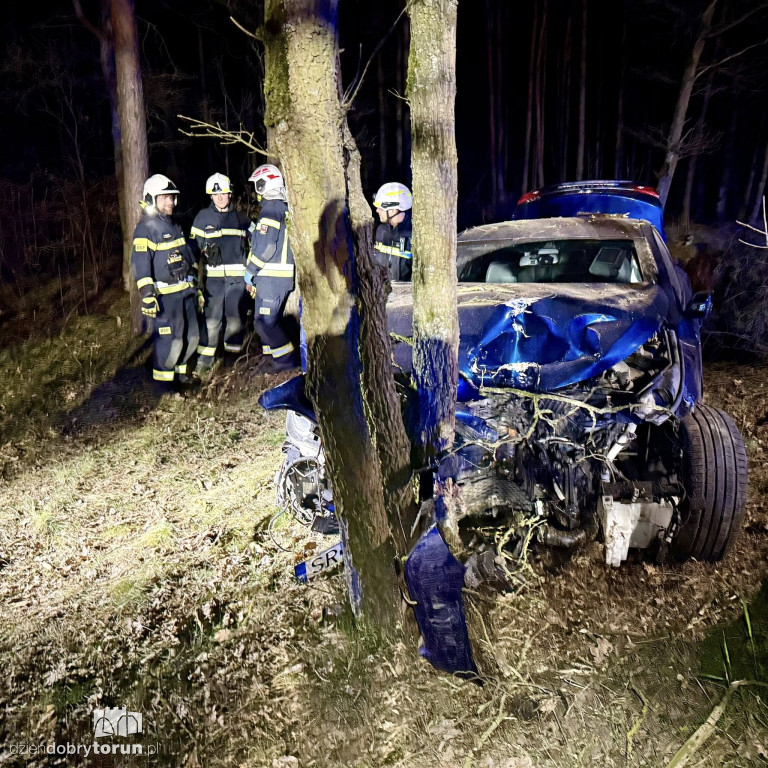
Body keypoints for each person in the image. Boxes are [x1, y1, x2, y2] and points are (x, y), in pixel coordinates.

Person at [131, 174, 199, 394]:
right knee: (172, 340)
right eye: (164, 197)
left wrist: (195, 283)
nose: (170, 201)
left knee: (193, 337)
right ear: (151, 199)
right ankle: (162, 386)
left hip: (185, 294)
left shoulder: (175, 225)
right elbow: (140, 265)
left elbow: (187, 257)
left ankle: (180, 376)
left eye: (171, 197)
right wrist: (148, 295)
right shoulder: (145, 229)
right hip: (165, 298)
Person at [190, 173, 251, 372]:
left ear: (230, 193)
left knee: (235, 319)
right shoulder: (202, 218)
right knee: (211, 320)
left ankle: (232, 362)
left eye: (223, 193)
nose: (219, 198)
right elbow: (192, 250)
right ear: (210, 196)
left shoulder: (241, 219)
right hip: (213, 281)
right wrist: (192, 279)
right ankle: (205, 361)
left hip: (237, 281)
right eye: (215, 194)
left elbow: (259, 240)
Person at [244, 164, 299, 371]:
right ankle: (271, 359)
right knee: (263, 320)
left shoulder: (271, 210)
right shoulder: (281, 209)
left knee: (265, 323)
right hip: (273, 278)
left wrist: (250, 271)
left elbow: (267, 247)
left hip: (271, 278)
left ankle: (285, 361)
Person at [373, 182, 413, 282]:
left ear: (393, 209)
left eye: (381, 207)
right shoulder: (381, 231)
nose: (377, 210)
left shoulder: (414, 235)